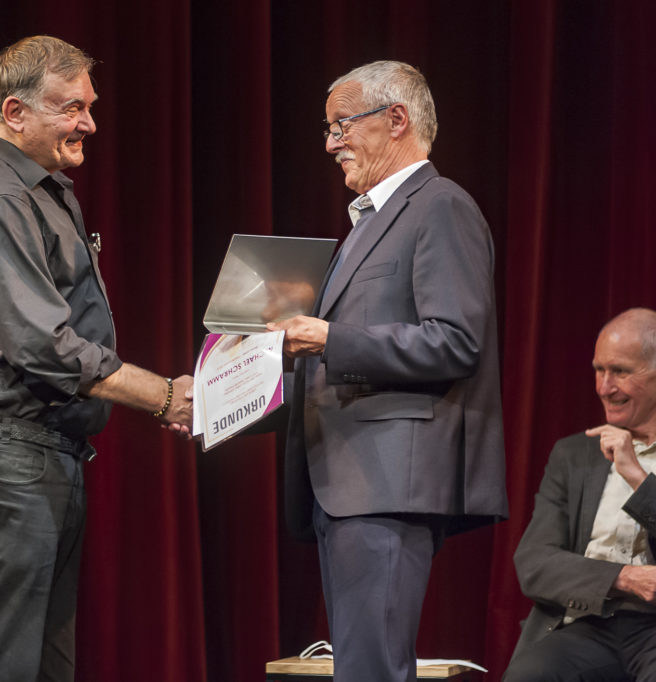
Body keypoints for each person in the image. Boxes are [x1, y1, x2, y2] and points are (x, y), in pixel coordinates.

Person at [0, 35, 192, 682]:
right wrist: (163, 395)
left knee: (43, 666)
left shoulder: (42, 190)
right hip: (2, 461)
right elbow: (41, 344)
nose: (89, 124)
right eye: (72, 108)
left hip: (40, 458)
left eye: (90, 106)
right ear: (15, 112)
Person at [266, 60, 507, 682]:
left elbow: (454, 341)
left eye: (341, 124)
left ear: (396, 119)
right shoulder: (367, 225)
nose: (329, 143)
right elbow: (334, 361)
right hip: (345, 481)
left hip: (387, 481)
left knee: (372, 670)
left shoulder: (440, 207)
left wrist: (328, 336)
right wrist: (230, 400)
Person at [505, 308, 656, 681]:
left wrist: (638, 479)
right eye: (598, 371)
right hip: (590, 620)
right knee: (530, 675)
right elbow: (535, 561)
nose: (605, 387)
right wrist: (623, 577)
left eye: (620, 371)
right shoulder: (575, 455)